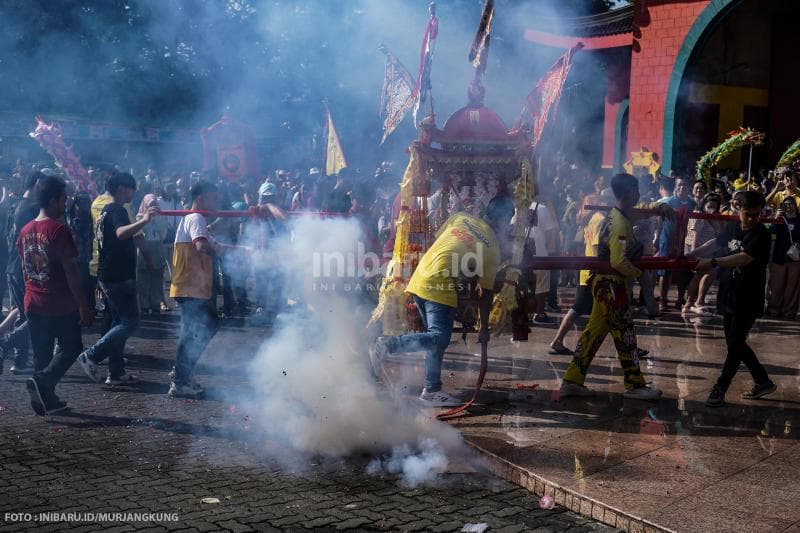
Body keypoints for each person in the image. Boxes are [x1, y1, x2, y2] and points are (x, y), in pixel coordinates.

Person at [371, 195, 513, 407]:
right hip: (440, 284)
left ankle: (432, 389)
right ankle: (389, 344)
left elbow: (442, 243)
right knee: (439, 338)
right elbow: (485, 295)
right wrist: (483, 326)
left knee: (434, 340)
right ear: (504, 222)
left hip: (419, 278)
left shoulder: (461, 218)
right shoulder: (492, 248)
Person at [560, 173, 671, 400]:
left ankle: (572, 379)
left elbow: (640, 210)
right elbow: (618, 261)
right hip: (611, 284)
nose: (639, 195)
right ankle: (634, 384)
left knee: (593, 334)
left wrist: (658, 207)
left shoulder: (616, 214)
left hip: (603, 284)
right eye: (637, 190)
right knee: (625, 332)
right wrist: (640, 274)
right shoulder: (620, 222)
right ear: (631, 192)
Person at [693, 190, 776, 407]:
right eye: (748, 214)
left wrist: (712, 263)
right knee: (734, 343)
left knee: (735, 343)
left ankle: (720, 388)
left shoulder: (761, 234)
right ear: (738, 208)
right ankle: (762, 380)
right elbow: (716, 242)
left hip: (749, 298)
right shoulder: (731, 227)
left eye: (756, 215)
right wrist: (691, 254)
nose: (751, 219)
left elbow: (744, 257)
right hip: (729, 293)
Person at [168, 181, 249, 398]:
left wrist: (242, 250)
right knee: (199, 329)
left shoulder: (197, 220)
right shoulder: (197, 218)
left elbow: (215, 246)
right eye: (213, 198)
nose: (217, 203)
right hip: (191, 285)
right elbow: (202, 246)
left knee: (199, 329)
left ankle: (181, 373)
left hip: (194, 286)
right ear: (201, 199)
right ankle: (180, 379)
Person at [19, 176, 93, 415]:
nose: (66, 203)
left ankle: (46, 401)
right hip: (58, 302)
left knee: (42, 354)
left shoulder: (26, 230)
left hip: (33, 299)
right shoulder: (58, 229)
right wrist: (83, 305)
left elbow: (24, 267)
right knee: (71, 347)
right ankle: (42, 384)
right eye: (63, 199)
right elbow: (71, 271)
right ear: (52, 200)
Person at [78, 172, 159, 386]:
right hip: (118, 275)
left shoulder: (103, 208)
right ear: (123, 188)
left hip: (108, 273)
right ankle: (92, 354)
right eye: (132, 189)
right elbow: (122, 233)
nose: (134, 193)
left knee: (117, 322)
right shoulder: (117, 210)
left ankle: (115, 372)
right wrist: (145, 220)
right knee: (130, 322)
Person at [4, 171, 43, 374]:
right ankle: (8, 345)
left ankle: (19, 360)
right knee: (35, 313)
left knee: (20, 311)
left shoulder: (14, 205)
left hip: (13, 266)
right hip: (25, 268)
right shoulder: (34, 209)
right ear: (37, 184)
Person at [766, 196, 800, 319]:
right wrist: (776, 219)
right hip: (779, 256)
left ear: (795, 206)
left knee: (792, 286)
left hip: (796, 258)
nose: (789, 206)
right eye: (785, 204)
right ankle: (773, 308)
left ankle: (789, 311)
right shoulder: (780, 219)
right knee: (776, 285)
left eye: (791, 204)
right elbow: (771, 233)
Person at [136, 193, 168, 314]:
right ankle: (144, 305)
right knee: (143, 278)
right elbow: (138, 233)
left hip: (157, 248)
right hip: (144, 248)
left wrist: (157, 217)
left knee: (157, 277)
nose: (153, 206)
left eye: (155, 204)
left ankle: (155, 303)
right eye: (150, 204)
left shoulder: (161, 216)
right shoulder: (139, 217)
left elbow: (163, 233)